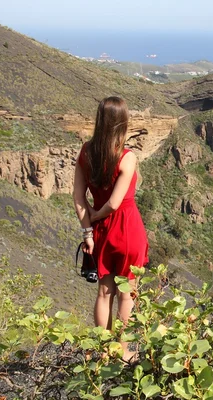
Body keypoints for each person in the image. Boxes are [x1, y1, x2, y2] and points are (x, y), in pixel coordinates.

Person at [72, 96, 148, 361]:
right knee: (126, 294)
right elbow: (115, 203)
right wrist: (98, 213)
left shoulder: (85, 153)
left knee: (104, 293)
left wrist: (88, 229)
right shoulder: (127, 158)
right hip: (127, 230)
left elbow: (78, 197)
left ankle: (103, 351)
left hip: (100, 232)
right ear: (122, 124)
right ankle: (124, 352)